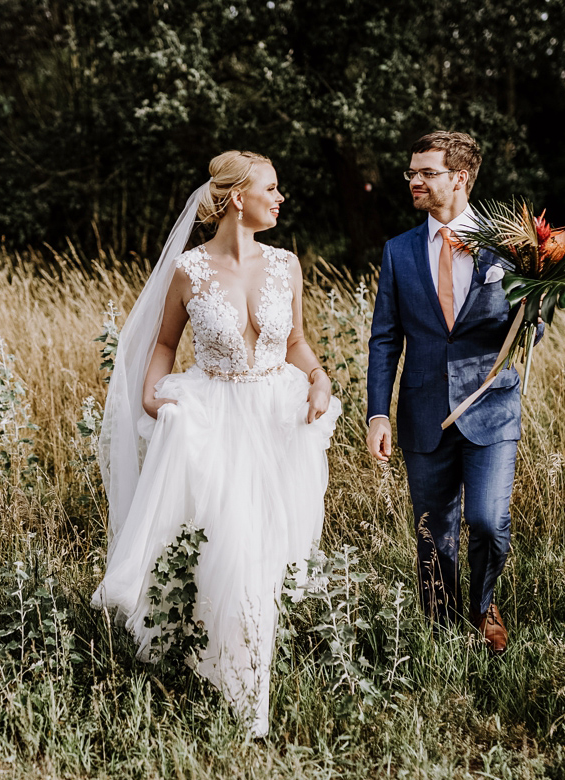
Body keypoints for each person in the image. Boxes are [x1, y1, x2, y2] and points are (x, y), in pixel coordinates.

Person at [92, 150, 341, 737]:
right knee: (233, 549)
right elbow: (161, 346)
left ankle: (232, 675)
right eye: (272, 189)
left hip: (276, 420)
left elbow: (297, 342)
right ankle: (246, 703)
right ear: (237, 199)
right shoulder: (190, 271)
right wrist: (155, 396)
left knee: (263, 552)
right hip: (216, 418)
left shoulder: (285, 265)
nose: (280, 199)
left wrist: (321, 376)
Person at [366, 131, 527, 655]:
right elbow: (385, 337)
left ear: (459, 179)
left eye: (426, 172)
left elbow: (530, 325)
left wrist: (537, 310)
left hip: (491, 407)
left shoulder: (512, 244)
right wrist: (377, 413)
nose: (414, 180)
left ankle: (482, 608)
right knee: (434, 533)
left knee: (486, 519)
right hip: (422, 410)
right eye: (411, 172)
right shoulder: (398, 251)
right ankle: (439, 629)